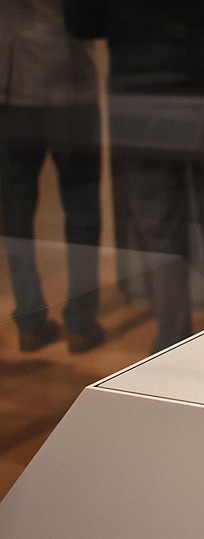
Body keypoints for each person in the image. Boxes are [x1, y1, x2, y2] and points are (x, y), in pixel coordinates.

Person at [65, 0, 204, 353]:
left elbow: (81, 19)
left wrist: (139, 21)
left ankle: (177, 340)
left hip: (145, 85)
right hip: (203, 79)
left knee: (169, 228)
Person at [0, 0, 104, 353]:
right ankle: (80, 323)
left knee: (16, 211)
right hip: (67, 82)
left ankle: (29, 322)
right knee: (81, 209)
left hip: (11, 84)